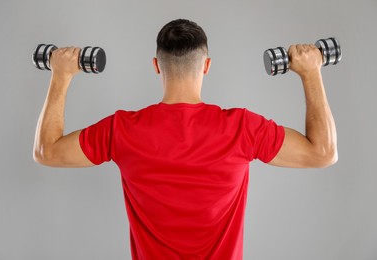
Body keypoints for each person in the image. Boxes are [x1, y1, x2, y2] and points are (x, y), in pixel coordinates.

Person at [33, 19, 337, 260]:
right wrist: (311, 73)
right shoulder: (242, 128)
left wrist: (61, 74)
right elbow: (322, 153)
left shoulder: (122, 129)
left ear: (156, 65)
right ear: (206, 65)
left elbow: (47, 152)